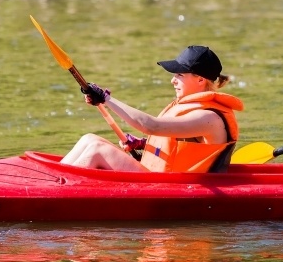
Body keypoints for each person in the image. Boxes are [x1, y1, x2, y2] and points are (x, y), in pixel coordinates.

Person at [61, 45, 244, 172]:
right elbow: (181, 145)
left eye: (179, 75)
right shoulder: (191, 107)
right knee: (89, 139)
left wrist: (106, 99)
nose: (172, 80)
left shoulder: (208, 118)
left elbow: (152, 126)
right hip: (159, 176)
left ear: (200, 80)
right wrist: (143, 144)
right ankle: (50, 182)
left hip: (172, 188)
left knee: (97, 149)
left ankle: (57, 192)